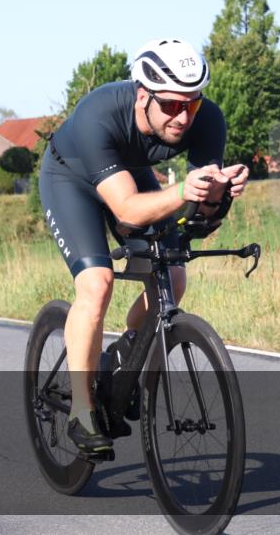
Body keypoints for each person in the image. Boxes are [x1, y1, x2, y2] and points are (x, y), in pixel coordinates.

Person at [37, 38, 250, 453]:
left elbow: (199, 218)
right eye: (171, 105)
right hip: (71, 180)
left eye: (191, 104)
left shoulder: (207, 119)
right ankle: (82, 411)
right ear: (142, 95)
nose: (183, 117)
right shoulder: (98, 114)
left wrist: (218, 196)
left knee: (173, 274)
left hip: (129, 173)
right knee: (97, 284)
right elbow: (128, 211)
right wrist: (184, 191)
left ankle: (124, 356)